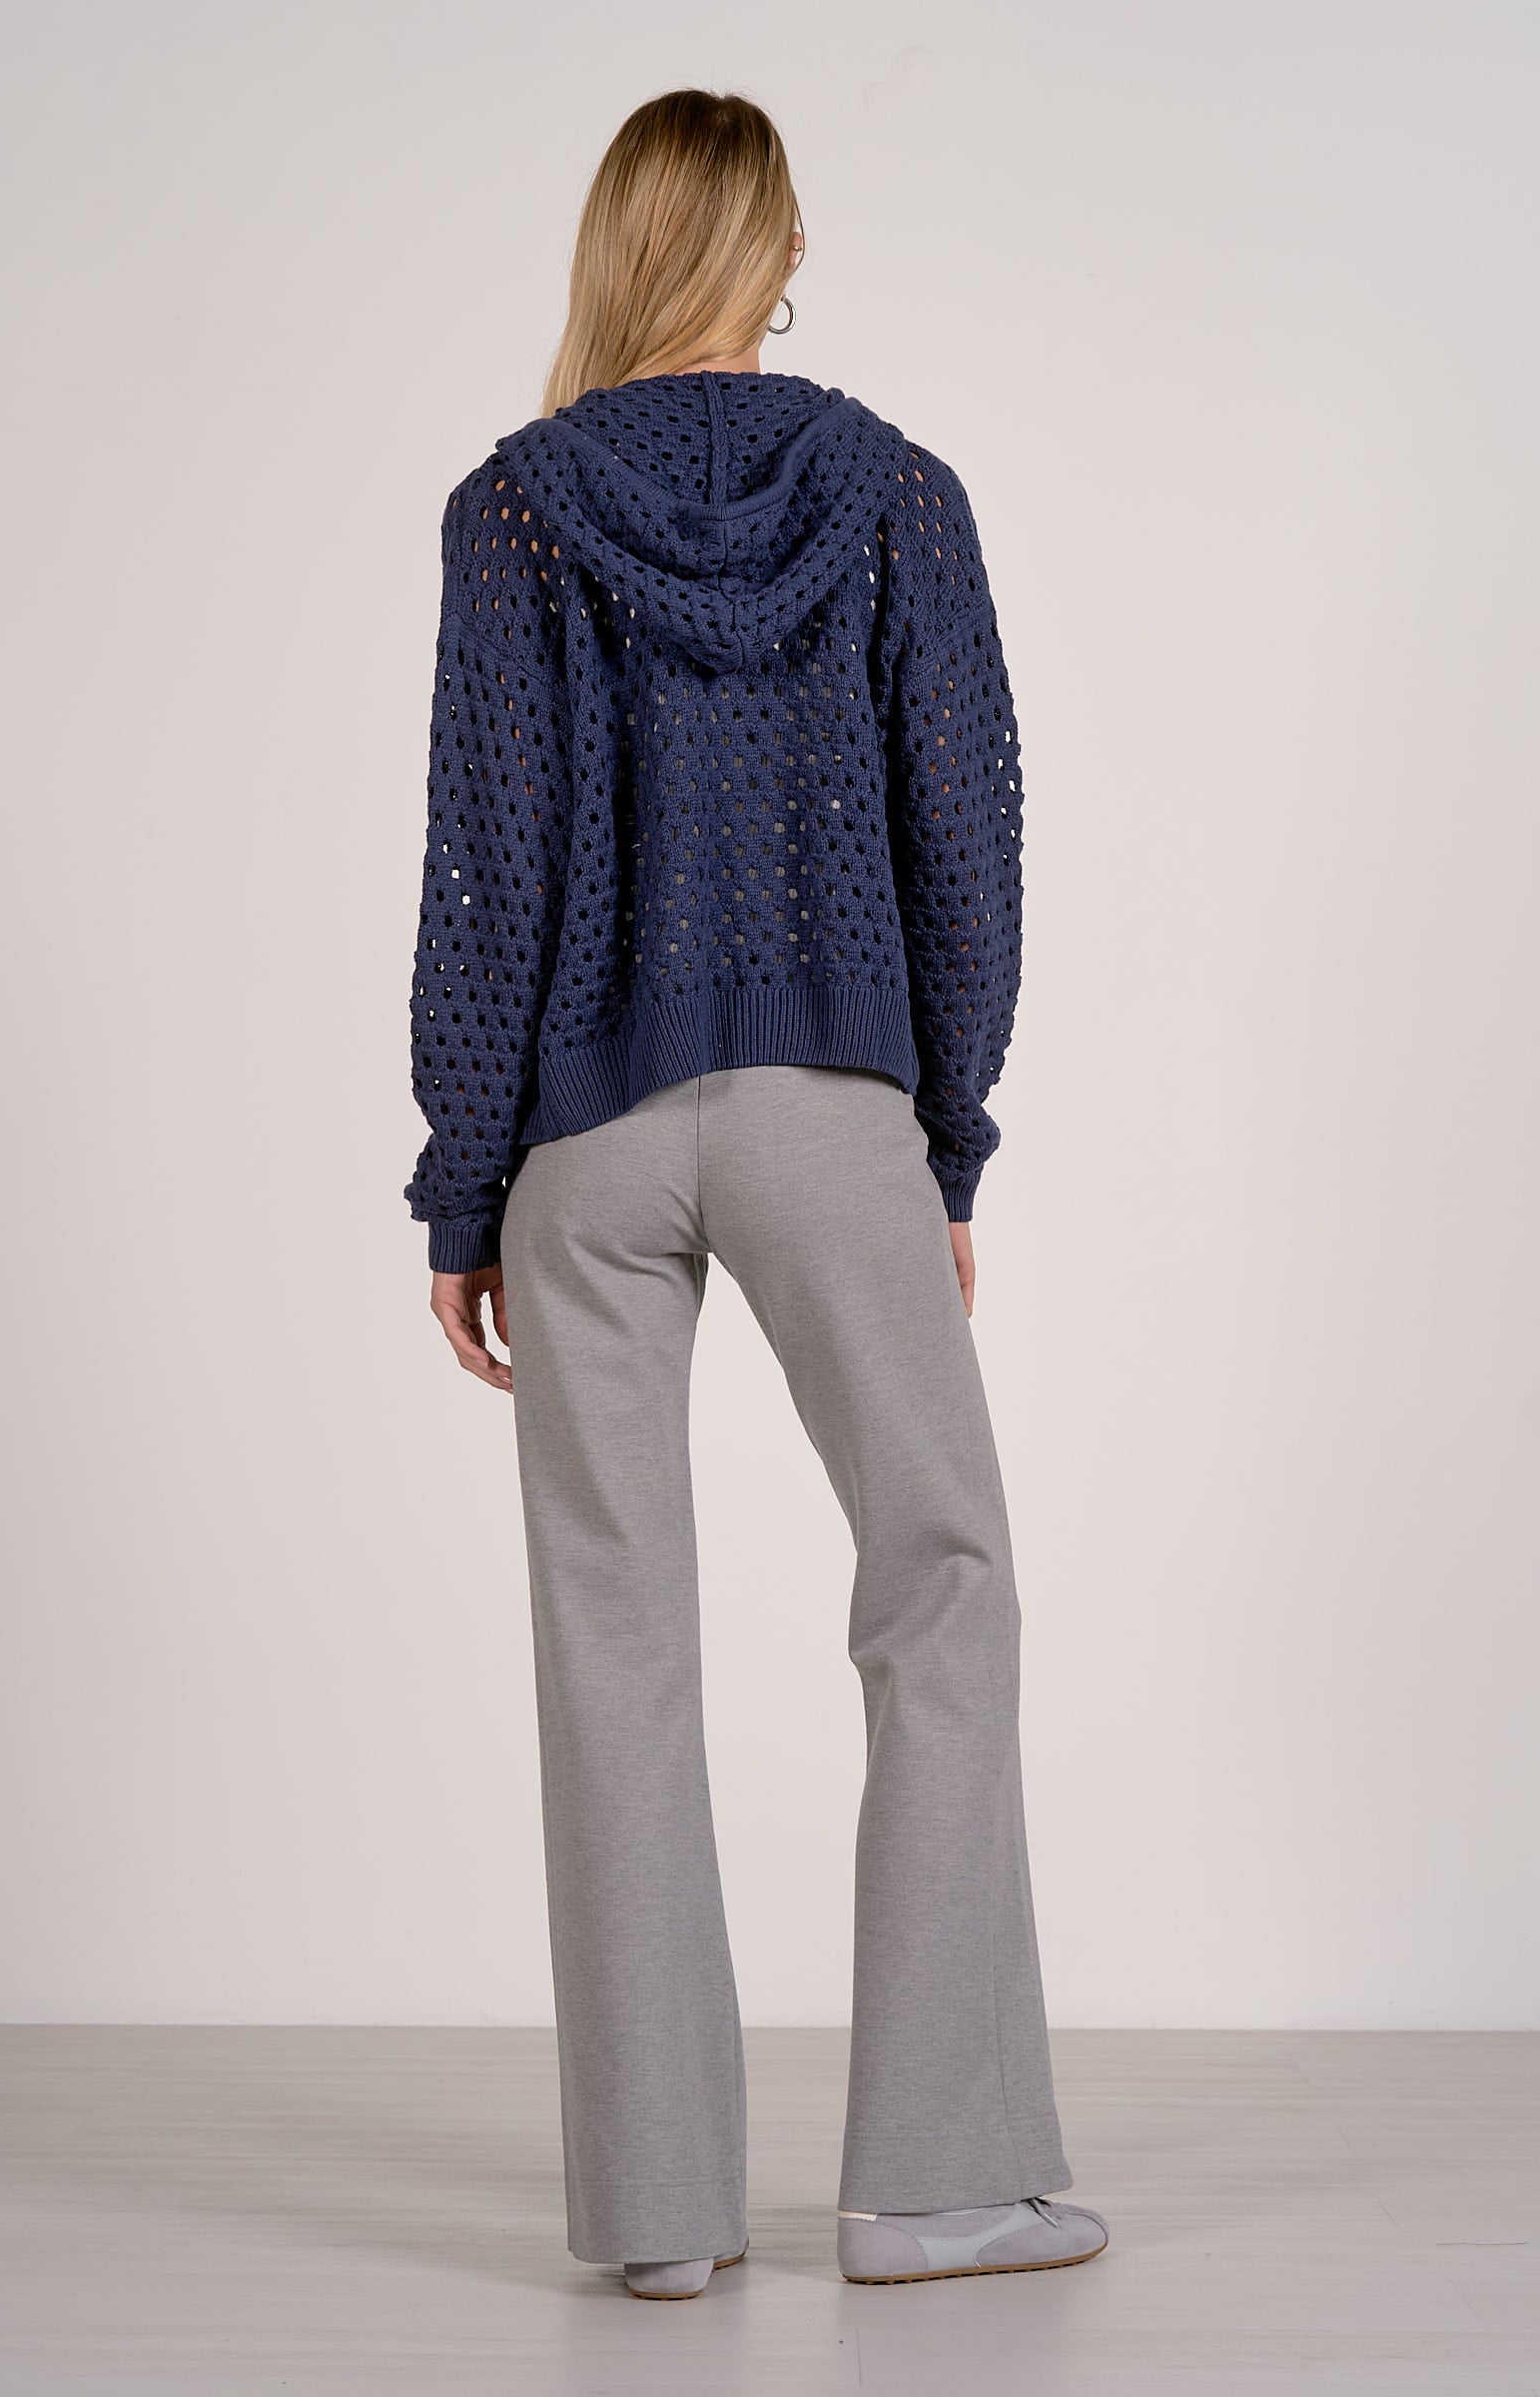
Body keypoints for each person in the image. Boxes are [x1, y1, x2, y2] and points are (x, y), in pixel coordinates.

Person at [402, 87, 1109, 2301]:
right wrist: (946, 1131)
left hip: (585, 1136)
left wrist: (466, 1183)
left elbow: (487, 865)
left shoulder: (514, 512)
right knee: (941, 1577)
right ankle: (934, 2184)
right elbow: (966, 846)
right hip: (826, 1106)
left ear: (618, 245)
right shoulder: (895, 495)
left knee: (612, 1641)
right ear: (776, 250)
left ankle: (659, 2224)